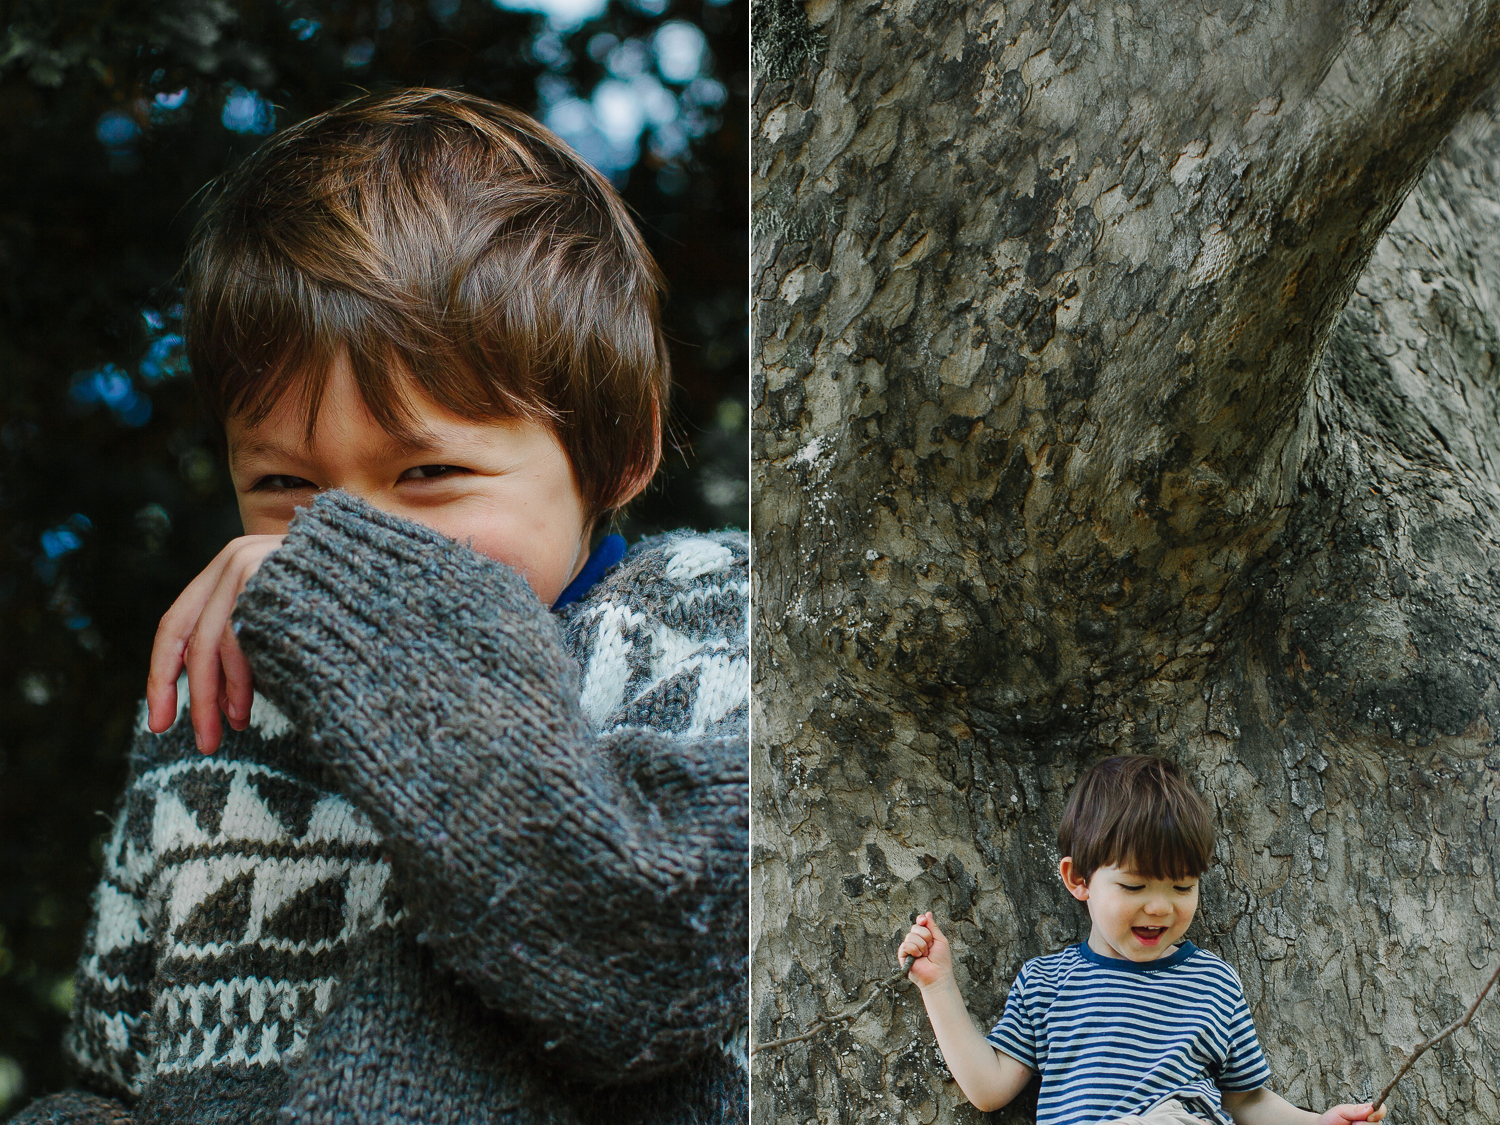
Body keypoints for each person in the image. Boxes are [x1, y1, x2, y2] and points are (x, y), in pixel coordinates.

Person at [15, 88, 747, 1125]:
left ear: (620, 453)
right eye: (284, 489)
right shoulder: (219, 690)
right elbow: (116, 1070)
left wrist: (372, 614)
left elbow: (645, 956)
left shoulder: (702, 623)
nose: (337, 544)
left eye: (431, 472)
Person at [896, 755, 1386, 1125]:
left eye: (1182, 887)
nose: (1160, 907)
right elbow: (989, 1088)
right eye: (1134, 886)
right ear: (1078, 879)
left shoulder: (1212, 983)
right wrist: (938, 986)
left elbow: (1247, 1100)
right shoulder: (1047, 984)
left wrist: (1316, 1122)